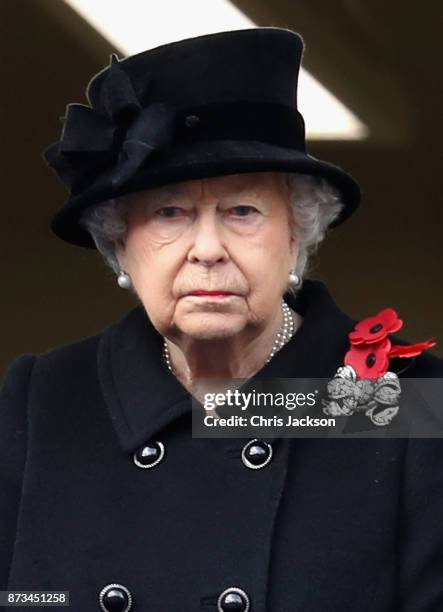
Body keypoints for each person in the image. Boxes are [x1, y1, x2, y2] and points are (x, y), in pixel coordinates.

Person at [1, 27, 442, 612]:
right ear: (120, 244)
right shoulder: (43, 400)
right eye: (169, 212)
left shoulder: (403, 400)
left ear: (297, 234)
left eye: (241, 210)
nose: (206, 248)